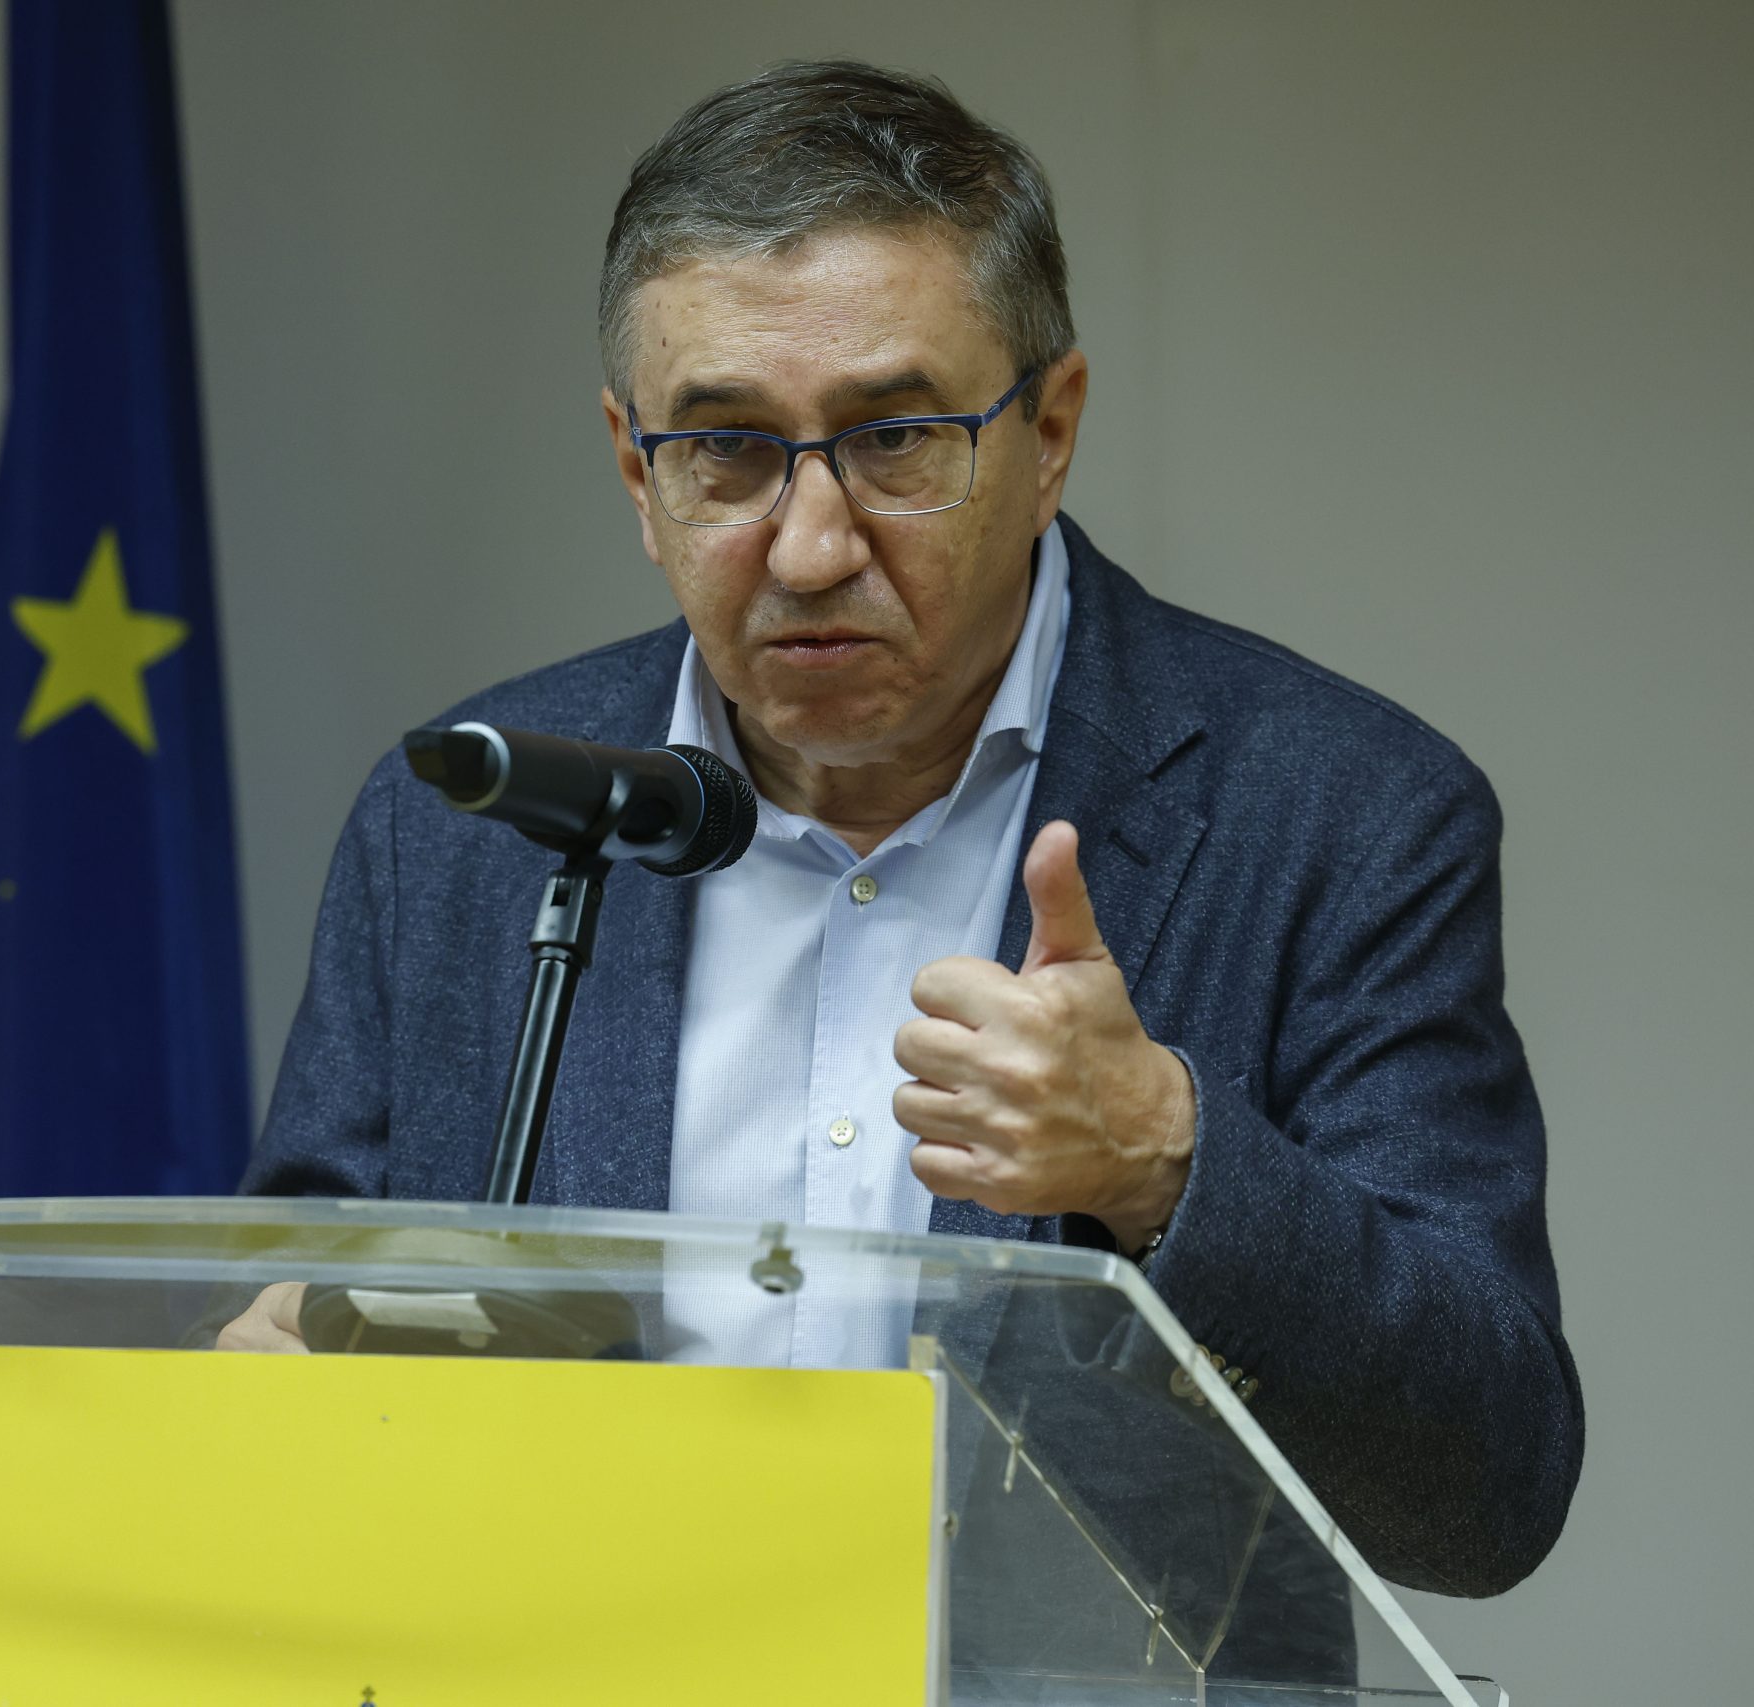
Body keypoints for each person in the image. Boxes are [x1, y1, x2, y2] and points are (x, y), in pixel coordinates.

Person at [230, 60, 1581, 1607]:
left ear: (1050, 431)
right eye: (727, 449)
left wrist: (1166, 1160)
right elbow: (282, 1314)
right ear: (636, 473)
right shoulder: (466, 823)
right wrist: (275, 1376)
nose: (811, 547)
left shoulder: (1337, 812)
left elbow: (1487, 1495)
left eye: (897, 439)